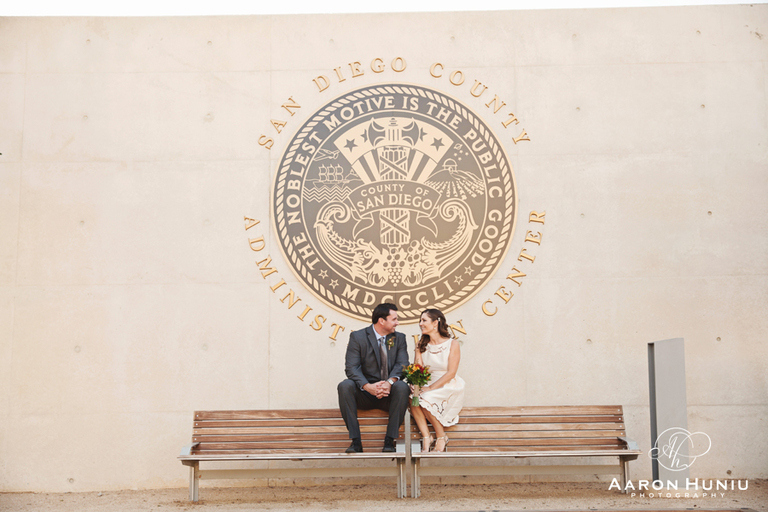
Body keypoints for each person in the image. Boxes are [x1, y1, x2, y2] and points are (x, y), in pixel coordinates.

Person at [338, 303, 410, 453]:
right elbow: (351, 368)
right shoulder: (358, 337)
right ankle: (356, 442)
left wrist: (390, 383)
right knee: (345, 386)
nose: (397, 322)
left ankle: (390, 441)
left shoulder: (400, 338)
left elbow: (402, 365)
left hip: (389, 394)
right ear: (381, 321)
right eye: (394, 319)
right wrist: (367, 386)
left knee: (402, 387)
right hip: (365, 394)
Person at [410, 308, 465, 453]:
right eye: (420, 321)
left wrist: (430, 388)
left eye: (424, 320)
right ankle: (427, 437)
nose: (420, 324)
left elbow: (451, 372)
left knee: (425, 397)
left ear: (435, 323)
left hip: (447, 383)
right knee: (413, 397)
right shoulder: (420, 345)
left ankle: (441, 437)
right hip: (427, 382)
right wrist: (415, 385)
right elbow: (418, 370)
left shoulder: (452, 344)